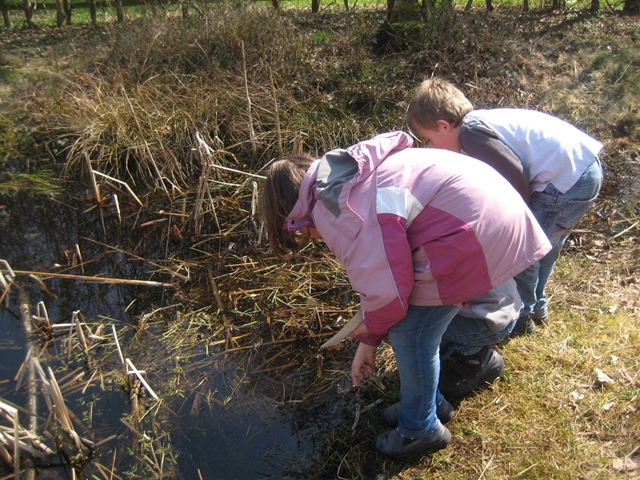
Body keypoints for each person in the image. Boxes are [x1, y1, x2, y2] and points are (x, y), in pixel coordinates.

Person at [260, 131, 551, 459]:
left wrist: (370, 338)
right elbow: (387, 257)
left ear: (294, 213)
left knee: (410, 334)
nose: (313, 238)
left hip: (471, 234)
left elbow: (387, 291)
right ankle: (433, 399)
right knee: (416, 321)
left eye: (302, 233)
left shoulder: (331, 210)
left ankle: (420, 429)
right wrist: (370, 337)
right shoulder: (348, 175)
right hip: (499, 213)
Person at [406, 78, 604, 335]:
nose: (431, 147)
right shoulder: (482, 122)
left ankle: (522, 317)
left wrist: (520, 219)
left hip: (564, 181)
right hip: (583, 171)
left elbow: (514, 171)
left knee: (527, 251)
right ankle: (538, 307)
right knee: (548, 246)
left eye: (428, 138)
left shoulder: (470, 132)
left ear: (443, 125)